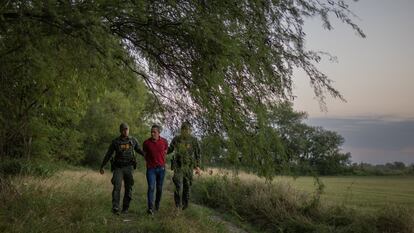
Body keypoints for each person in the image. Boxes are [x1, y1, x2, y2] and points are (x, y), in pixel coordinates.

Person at [99, 123, 144, 215]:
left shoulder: (133, 140)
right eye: (123, 129)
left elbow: (140, 150)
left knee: (129, 188)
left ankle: (125, 208)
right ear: (120, 130)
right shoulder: (115, 142)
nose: (125, 131)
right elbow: (109, 154)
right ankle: (115, 207)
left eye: (127, 129)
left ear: (129, 130)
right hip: (118, 167)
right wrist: (102, 166)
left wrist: (149, 157)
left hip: (129, 167)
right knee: (117, 186)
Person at [167, 121, 201, 210]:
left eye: (187, 129)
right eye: (183, 129)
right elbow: (170, 149)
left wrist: (197, 166)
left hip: (188, 166)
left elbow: (198, 153)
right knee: (177, 184)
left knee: (187, 186)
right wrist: (162, 151)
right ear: (181, 130)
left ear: (190, 130)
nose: (185, 131)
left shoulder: (194, 140)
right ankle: (177, 205)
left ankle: (185, 206)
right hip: (178, 165)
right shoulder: (176, 139)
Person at [142, 124, 169, 215]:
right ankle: (150, 208)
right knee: (151, 187)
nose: (152, 133)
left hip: (161, 169)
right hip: (151, 169)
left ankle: (157, 204)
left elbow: (165, 152)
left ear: (159, 133)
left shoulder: (164, 142)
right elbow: (144, 154)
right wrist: (149, 162)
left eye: (154, 132)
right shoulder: (146, 143)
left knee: (159, 189)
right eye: (151, 132)